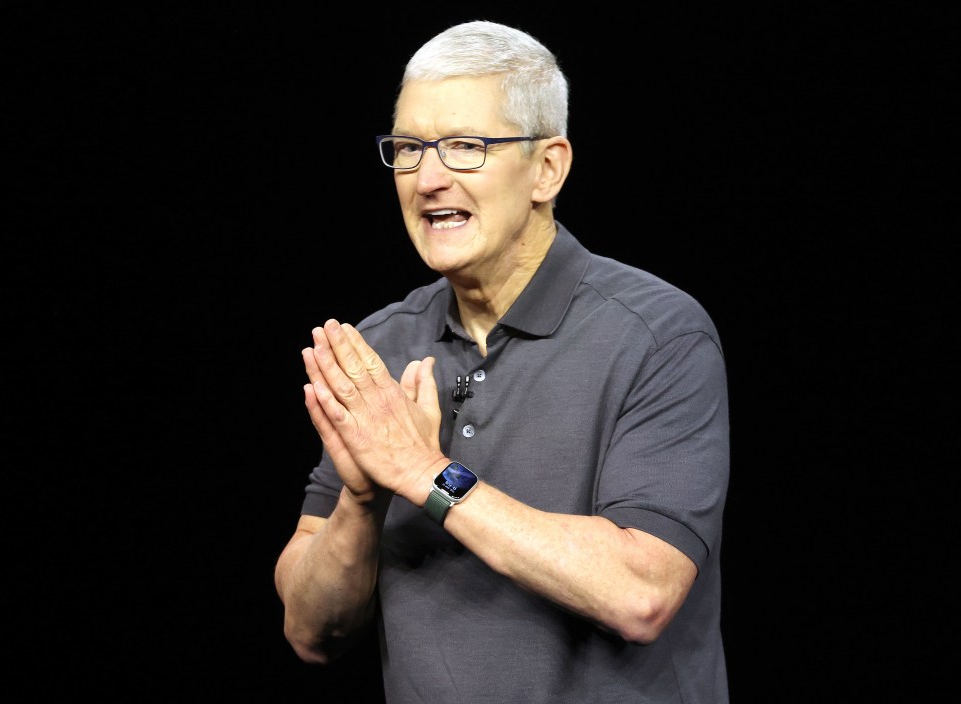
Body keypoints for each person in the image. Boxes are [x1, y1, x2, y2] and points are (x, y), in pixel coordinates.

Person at [274, 19, 730, 704]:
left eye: (465, 146)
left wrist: (423, 472)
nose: (427, 179)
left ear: (548, 167)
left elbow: (641, 593)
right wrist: (362, 501)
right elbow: (311, 632)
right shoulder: (379, 346)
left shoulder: (658, 334)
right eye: (409, 148)